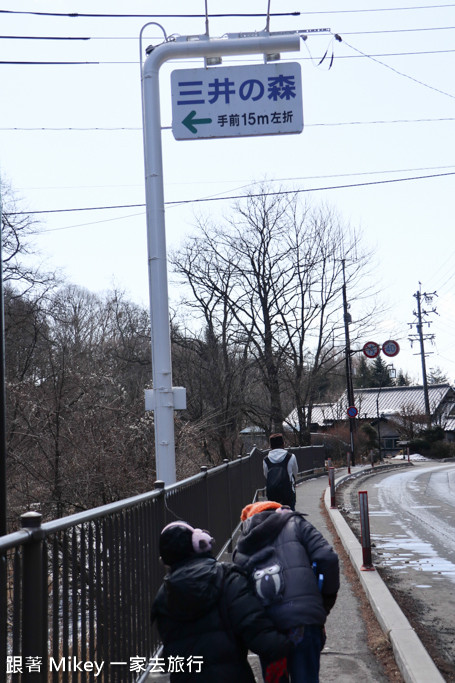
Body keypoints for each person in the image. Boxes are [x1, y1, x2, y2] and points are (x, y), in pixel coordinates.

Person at [151, 520, 292, 682]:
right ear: (199, 544)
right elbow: (257, 632)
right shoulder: (227, 578)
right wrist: (289, 643)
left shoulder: (163, 597)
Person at [233, 501, 340, 683]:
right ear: (278, 509)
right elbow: (327, 558)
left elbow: (240, 593)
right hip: (303, 622)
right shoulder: (296, 523)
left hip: (268, 629)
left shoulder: (242, 546)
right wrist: (324, 603)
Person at [263, 433, 298, 510]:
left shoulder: (266, 460)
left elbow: (266, 475)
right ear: (283, 444)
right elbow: (295, 472)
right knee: (290, 514)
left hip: (272, 493)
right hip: (287, 492)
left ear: (271, 446)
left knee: (274, 516)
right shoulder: (291, 457)